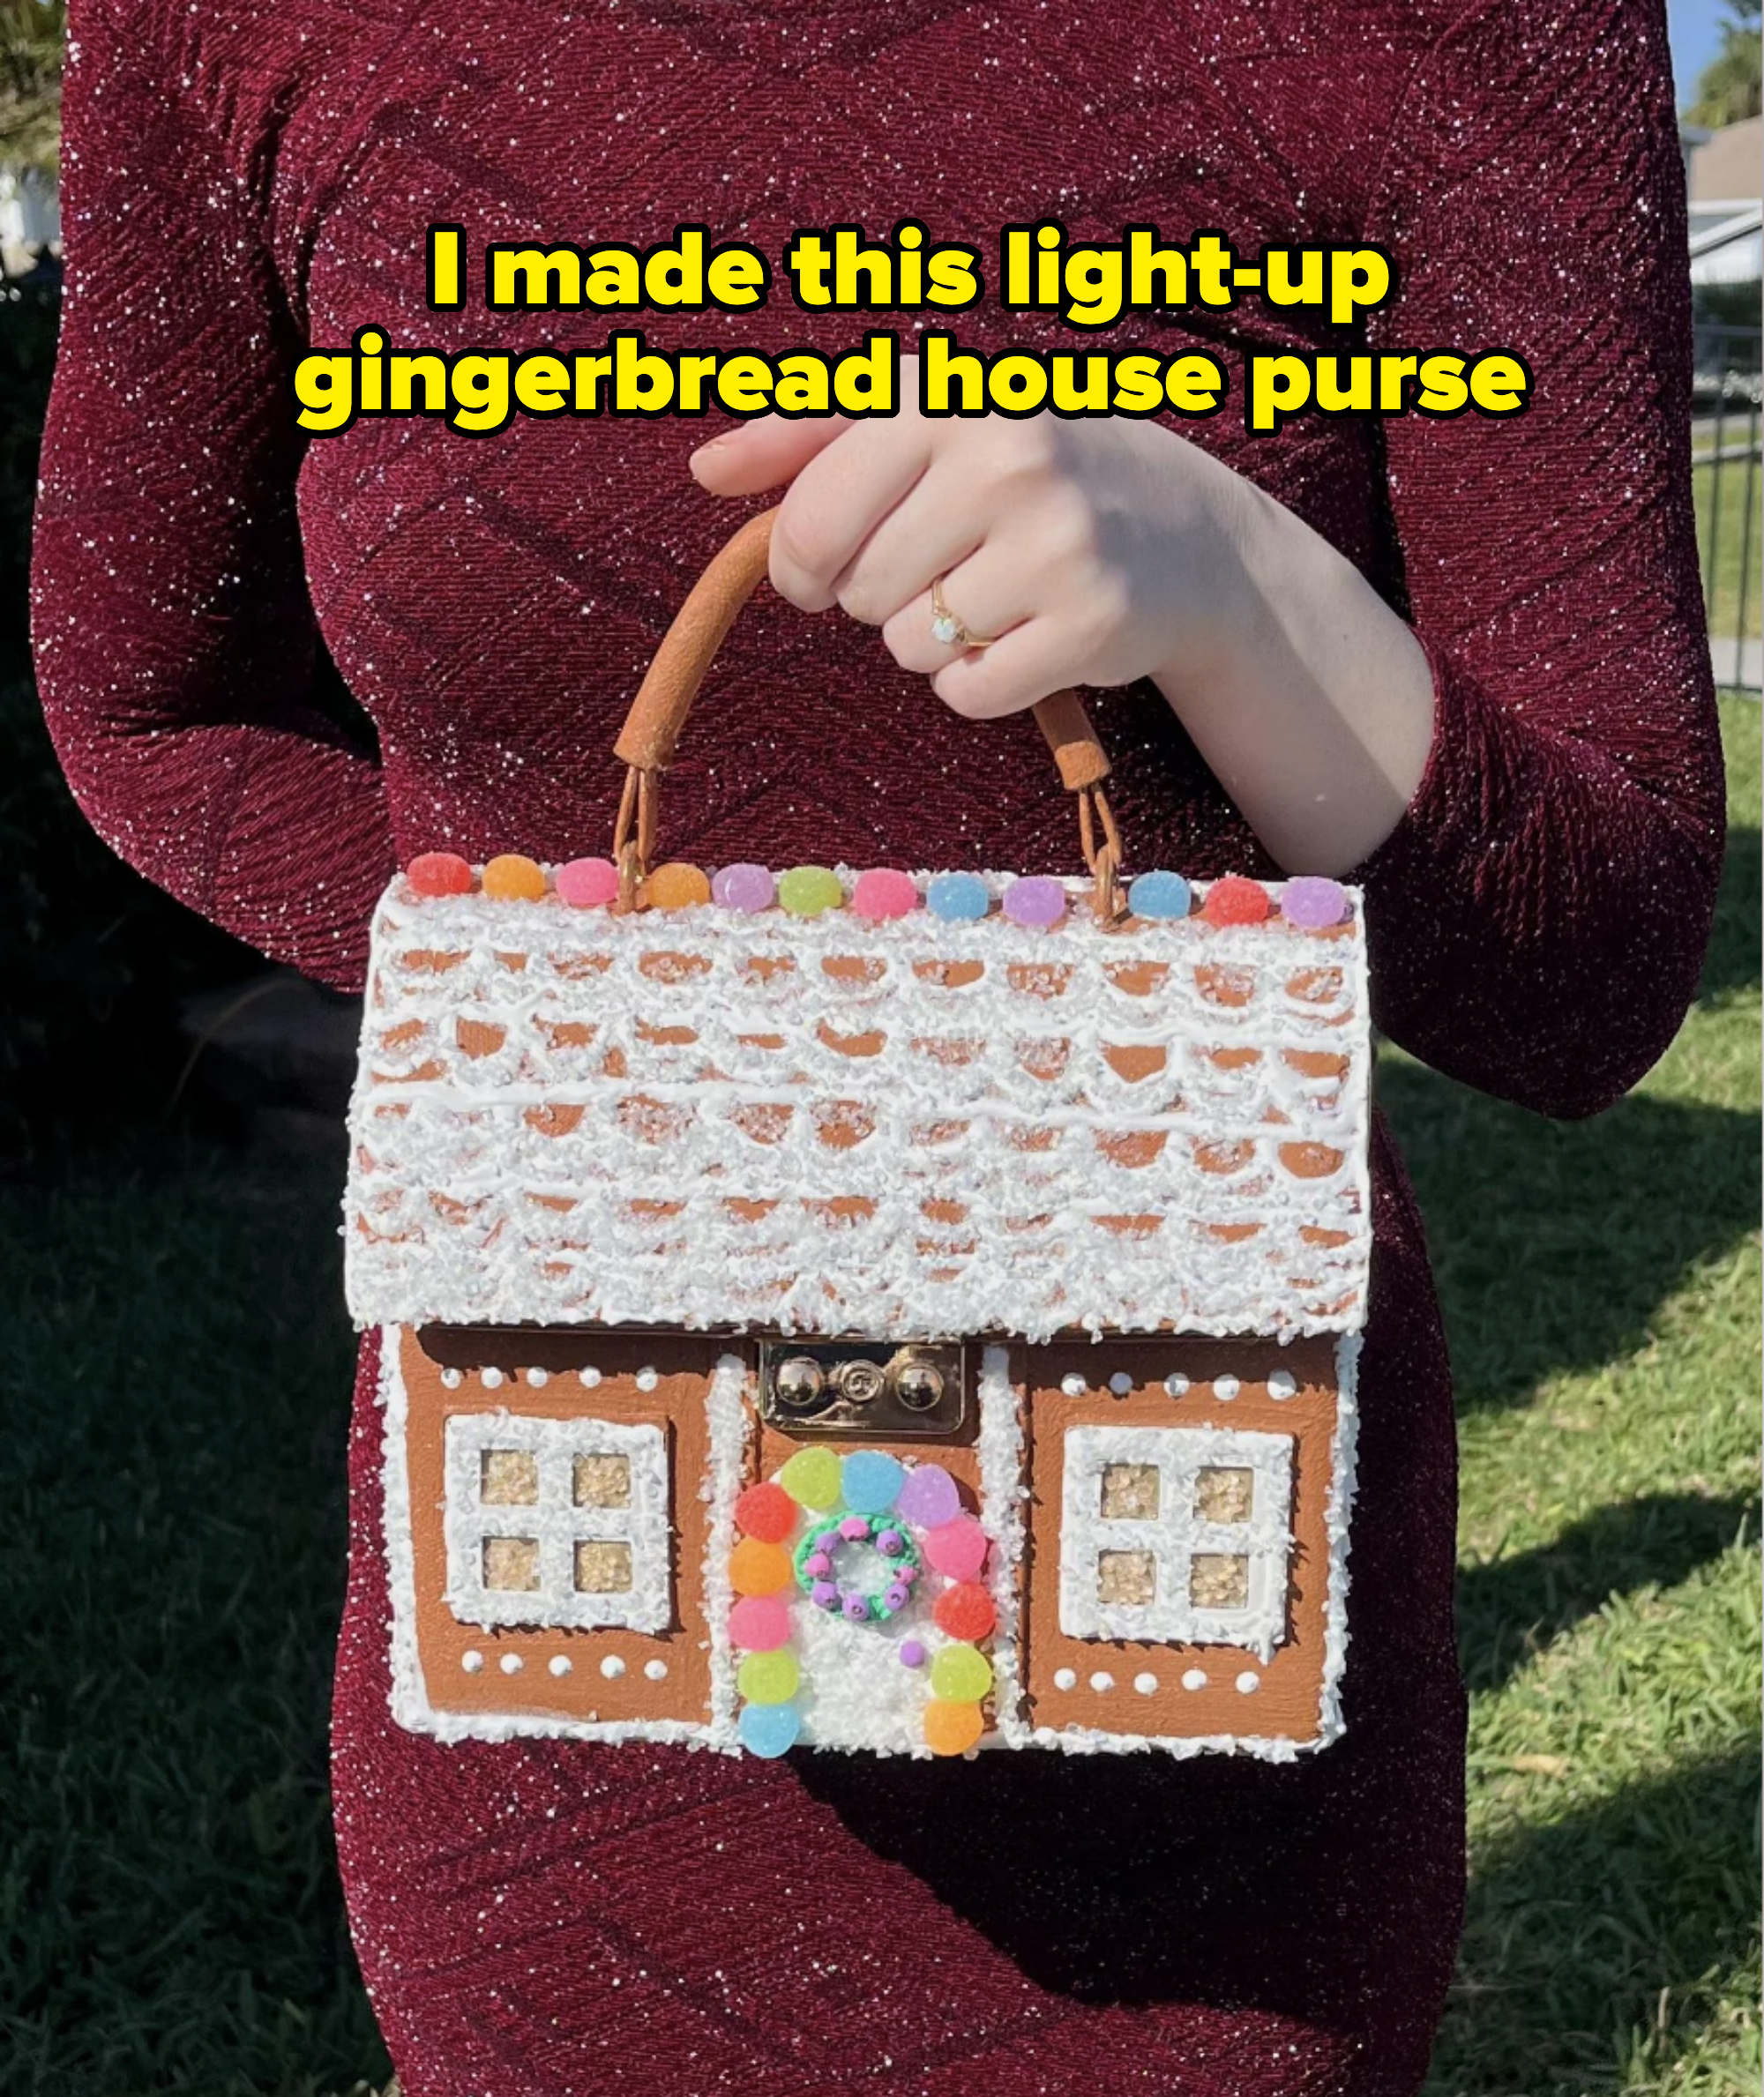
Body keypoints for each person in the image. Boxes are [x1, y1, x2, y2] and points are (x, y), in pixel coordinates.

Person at [31, 2, 1723, 2091]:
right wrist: (597, 1002)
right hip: (577, 1736)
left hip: (1189, 1776)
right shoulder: (242, 24)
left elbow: (1593, 965)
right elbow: (145, 704)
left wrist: (1228, 578)